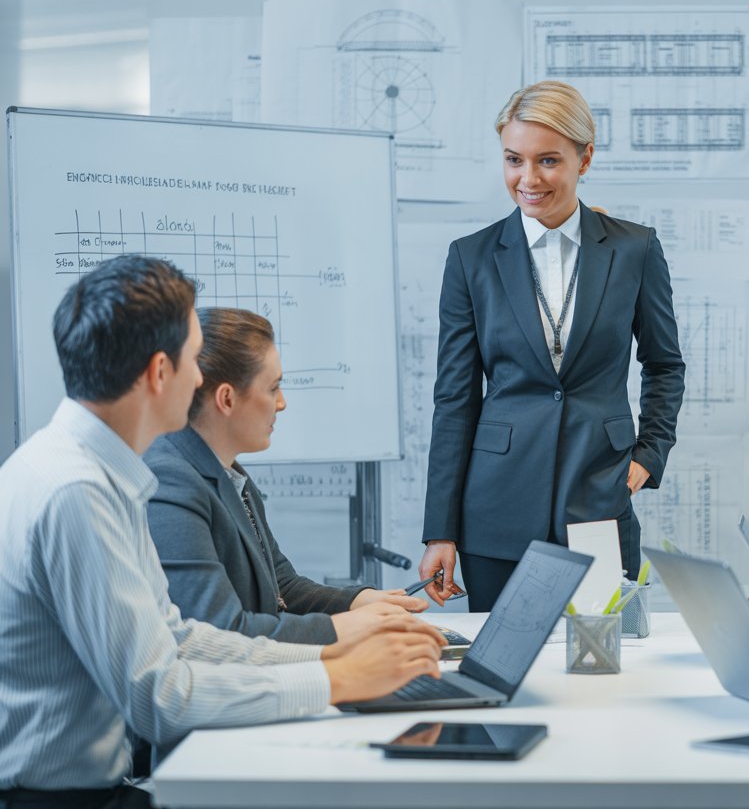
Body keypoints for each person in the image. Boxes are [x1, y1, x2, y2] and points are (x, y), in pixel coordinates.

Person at [0, 257, 444, 808]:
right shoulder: (77, 492)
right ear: (161, 373)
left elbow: (182, 639)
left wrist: (331, 660)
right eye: (192, 360)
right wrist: (338, 680)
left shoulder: (98, 473)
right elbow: (158, 697)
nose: (198, 381)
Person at [419, 80, 685, 611]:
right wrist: (439, 530)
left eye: (548, 161)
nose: (528, 178)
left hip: (599, 495)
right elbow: (454, 398)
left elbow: (664, 365)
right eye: (514, 159)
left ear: (584, 159)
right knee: (503, 665)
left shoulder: (634, 249)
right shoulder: (471, 258)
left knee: (603, 662)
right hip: (495, 505)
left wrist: (648, 457)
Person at [145, 307, 427, 647]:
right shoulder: (170, 482)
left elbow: (281, 586)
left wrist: (359, 601)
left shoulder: (226, 471)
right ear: (227, 399)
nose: (282, 403)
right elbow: (221, 630)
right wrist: (349, 628)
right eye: (274, 388)